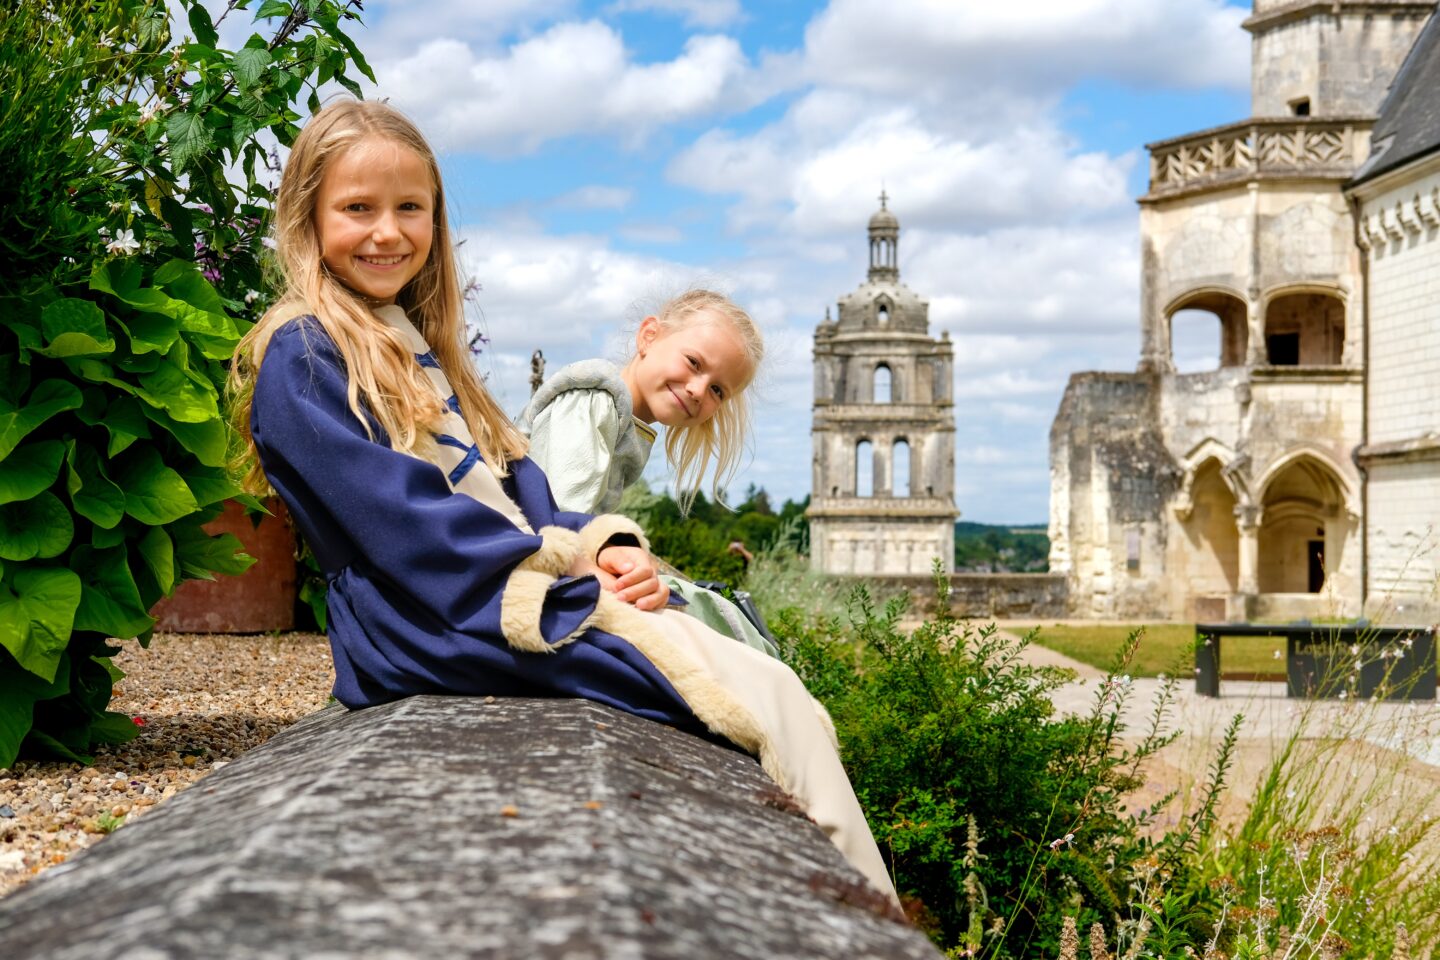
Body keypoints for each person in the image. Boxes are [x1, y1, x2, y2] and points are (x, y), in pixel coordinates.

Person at [227, 99, 897, 904]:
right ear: (309, 216)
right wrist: (569, 584)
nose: (389, 232)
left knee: (773, 692)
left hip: (470, 607)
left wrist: (606, 545)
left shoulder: (415, 346)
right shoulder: (303, 353)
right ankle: (870, 919)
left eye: (411, 209)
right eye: (358, 209)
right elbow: (406, 528)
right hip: (437, 623)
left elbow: (528, 492)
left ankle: (863, 914)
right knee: (770, 702)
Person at [518, 290, 780, 658]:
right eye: (693, 362)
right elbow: (555, 523)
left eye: (718, 390)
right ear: (649, 337)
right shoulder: (594, 401)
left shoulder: (621, 417)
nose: (697, 390)